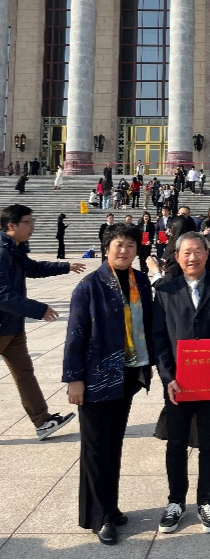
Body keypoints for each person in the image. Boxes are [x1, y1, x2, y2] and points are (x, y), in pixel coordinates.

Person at [63, 223, 154, 546]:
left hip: (128, 374)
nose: (124, 250)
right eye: (118, 244)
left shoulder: (140, 281)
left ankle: (110, 507)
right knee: (96, 448)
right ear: (106, 248)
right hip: (96, 378)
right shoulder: (89, 286)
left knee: (113, 444)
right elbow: (75, 335)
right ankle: (100, 517)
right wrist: (74, 379)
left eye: (130, 245)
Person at [153, 232, 210, 536]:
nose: (192, 257)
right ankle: (175, 502)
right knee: (176, 443)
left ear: (207, 254)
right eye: (186, 252)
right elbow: (159, 339)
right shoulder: (165, 290)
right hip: (178, 384)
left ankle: (206, 501)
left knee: (209, 443)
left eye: (198, 251)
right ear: (177, 257)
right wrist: (168, 377)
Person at [0, 205, 84, 441]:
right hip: (2, 325)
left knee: (24, 373)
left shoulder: (14, 248)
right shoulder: (2, 252)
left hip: (12, 327)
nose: (33, 226)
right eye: (28, 222)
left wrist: (65, 266)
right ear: (11, 225)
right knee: (24, 373)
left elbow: (33, 268)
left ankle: (43, 421)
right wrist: (39, 309)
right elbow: (2, 295)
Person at [137, 211, 156, 275]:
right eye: (145, 216)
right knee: (141, 257)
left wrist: (150, 241)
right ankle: (142, 270)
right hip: (141, 243)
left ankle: (146, 270)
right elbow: (138, 234)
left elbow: (152, 234)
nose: (146, 217)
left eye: (147, 216)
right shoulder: (139, 225)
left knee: (147, 257)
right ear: (143, 217)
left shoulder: (151, 225)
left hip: (148, 243)